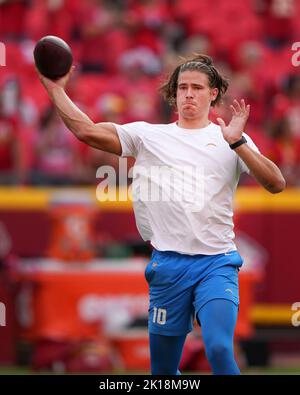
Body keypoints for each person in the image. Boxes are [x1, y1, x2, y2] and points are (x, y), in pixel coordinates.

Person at [37, 54, 285, 375]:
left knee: (220, 347)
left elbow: (276, 183)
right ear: (174, 93)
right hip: (168, 265)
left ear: (213, 94)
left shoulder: (230, 139)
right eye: (182, 87)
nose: (189, 94)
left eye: (197, 87)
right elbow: (86, 132)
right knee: (163, 372)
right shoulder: (148, 135)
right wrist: (56, 89)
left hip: (216, 262)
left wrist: (238, 142)